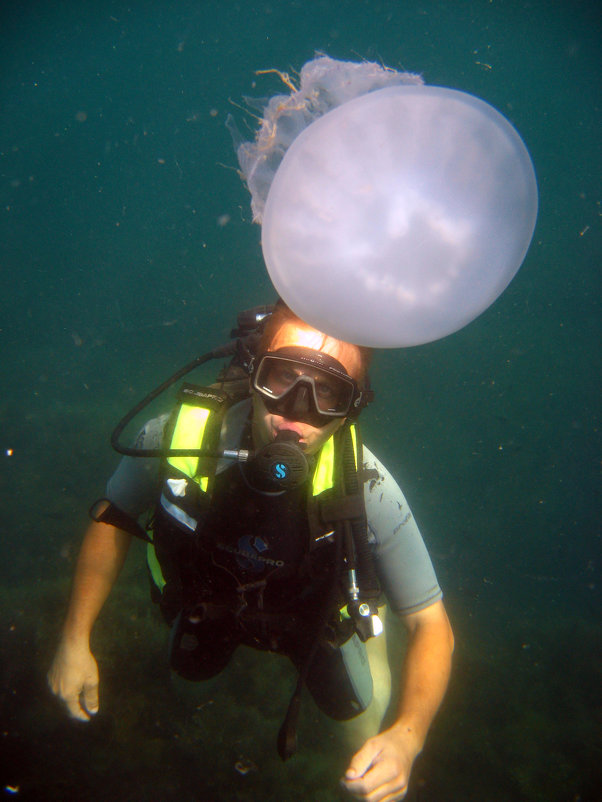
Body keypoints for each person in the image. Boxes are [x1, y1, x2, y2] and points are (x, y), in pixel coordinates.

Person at [48, 301, 454, 801]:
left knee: (359, 717)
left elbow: (429, 622)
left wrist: (407, 737)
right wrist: (74, 638)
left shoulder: (366, 486)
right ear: (253, 370)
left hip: (314, 619)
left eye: (327, 392)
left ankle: (372, 642)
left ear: (352, 406)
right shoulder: (177, 440)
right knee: (188, 677)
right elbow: (111, 519)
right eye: (282, 379)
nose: (296, 413)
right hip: (213, 599)